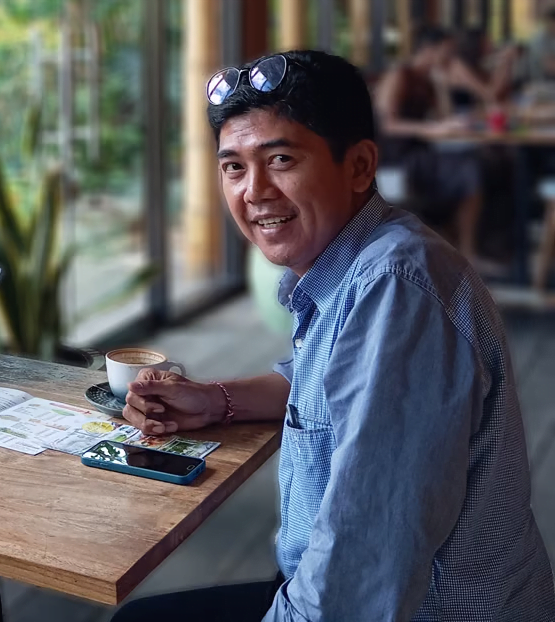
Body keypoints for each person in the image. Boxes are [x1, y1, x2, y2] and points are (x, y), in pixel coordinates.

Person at [113, 50, 555, 621]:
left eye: (281, 158)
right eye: (234, 167)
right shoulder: (353, 263)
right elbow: (327, 379)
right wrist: (216, 399)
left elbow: (366, 557)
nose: (255, 191)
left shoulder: (397, 288)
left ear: (359, 166)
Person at [375, 26, 485, 260]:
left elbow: (443, 115)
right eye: (447, 51)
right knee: (470, 170)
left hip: (420, 153)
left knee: (479, 162)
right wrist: (432, 128)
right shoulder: (400, 75)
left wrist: (441, 83)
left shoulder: (427, 79)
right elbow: (388, 125)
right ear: (429, 49)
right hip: (396, 159)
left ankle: (462, 246)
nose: (450, 58)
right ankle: (466, 251)